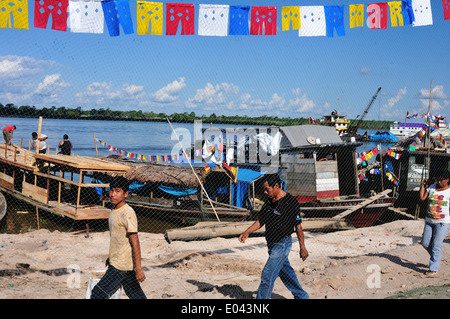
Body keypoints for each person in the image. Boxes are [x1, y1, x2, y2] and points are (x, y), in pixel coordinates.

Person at [239, 173, 309, 299]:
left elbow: (298, 226)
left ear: (276, 186)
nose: (265, 192)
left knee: (267, 275)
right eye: (264, 189)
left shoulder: (290, 202)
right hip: (271, 245)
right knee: (286, 273)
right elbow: (261, 220)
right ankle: (302, 296)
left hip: (282, 244)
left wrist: (302, 247)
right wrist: (247, 232)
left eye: (267, 189)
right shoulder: (269, 202)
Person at [91, 176, 146, 299]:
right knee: (136, 295)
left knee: (97, 294)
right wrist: (111, 257)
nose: (112, 194)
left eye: (117, 191)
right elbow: (118, 239)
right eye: (111, 190)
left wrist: (138, 268)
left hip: (120, 267)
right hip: (121, 264)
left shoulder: (128, 213)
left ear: (125, 194)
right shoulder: (114, 211)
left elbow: (135, 241)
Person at [419, 170, 450, 276]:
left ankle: (433, 268)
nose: (440, 182)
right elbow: (422, 197)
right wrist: (423, 186)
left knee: (436, 244)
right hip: (429, 221)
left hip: (443, 222)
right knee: (425, 243)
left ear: (448, 180)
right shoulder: (432, 187)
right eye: (438, 179)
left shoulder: (449, 191)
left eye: (442, 180)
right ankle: (435, 257)